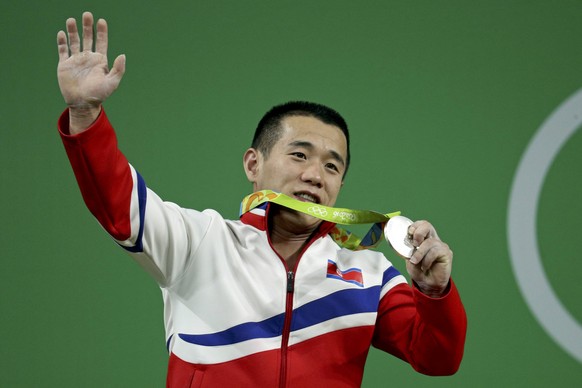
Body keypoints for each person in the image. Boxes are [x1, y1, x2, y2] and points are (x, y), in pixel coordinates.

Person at [56, 12, 467, 388]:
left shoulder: (369, 272)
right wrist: (86, 116)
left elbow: (437, 357)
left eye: (331, 166)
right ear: (254, 163)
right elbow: (117, 202)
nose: (314, 174)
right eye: (299, 155)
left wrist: (434, 292)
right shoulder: (201, 244)